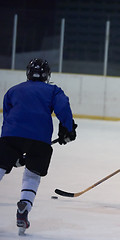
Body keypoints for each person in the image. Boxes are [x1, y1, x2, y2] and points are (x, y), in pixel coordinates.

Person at [0, 58, 77, 235]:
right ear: (47, 75)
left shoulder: (13, 90)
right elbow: (63, 107)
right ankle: (24, 207)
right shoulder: (53, 90)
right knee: (32, 175)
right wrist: (68, 130)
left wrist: (9, 147)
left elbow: (8, 117)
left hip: (11, 136)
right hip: (40, 139)